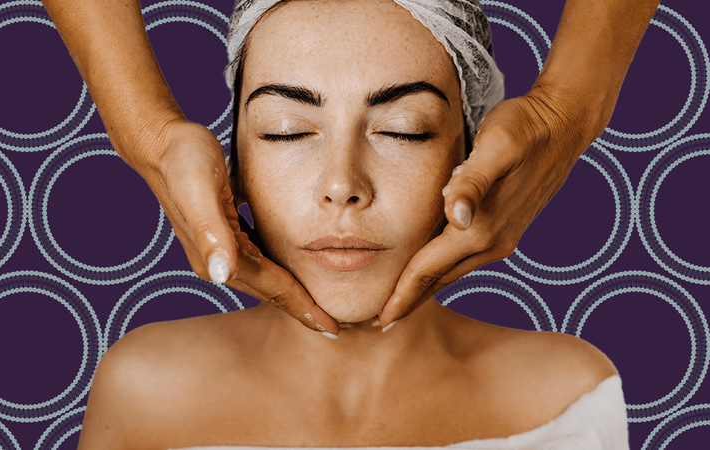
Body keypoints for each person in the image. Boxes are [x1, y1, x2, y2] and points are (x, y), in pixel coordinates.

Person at [48, 0, 641, 448]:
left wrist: (567, 108)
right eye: (286, 130)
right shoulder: (144, 386)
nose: (342, 184)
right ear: (233, 163)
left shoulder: (568, 394)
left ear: (473, 150)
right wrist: (146, 132)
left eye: (404, 128)